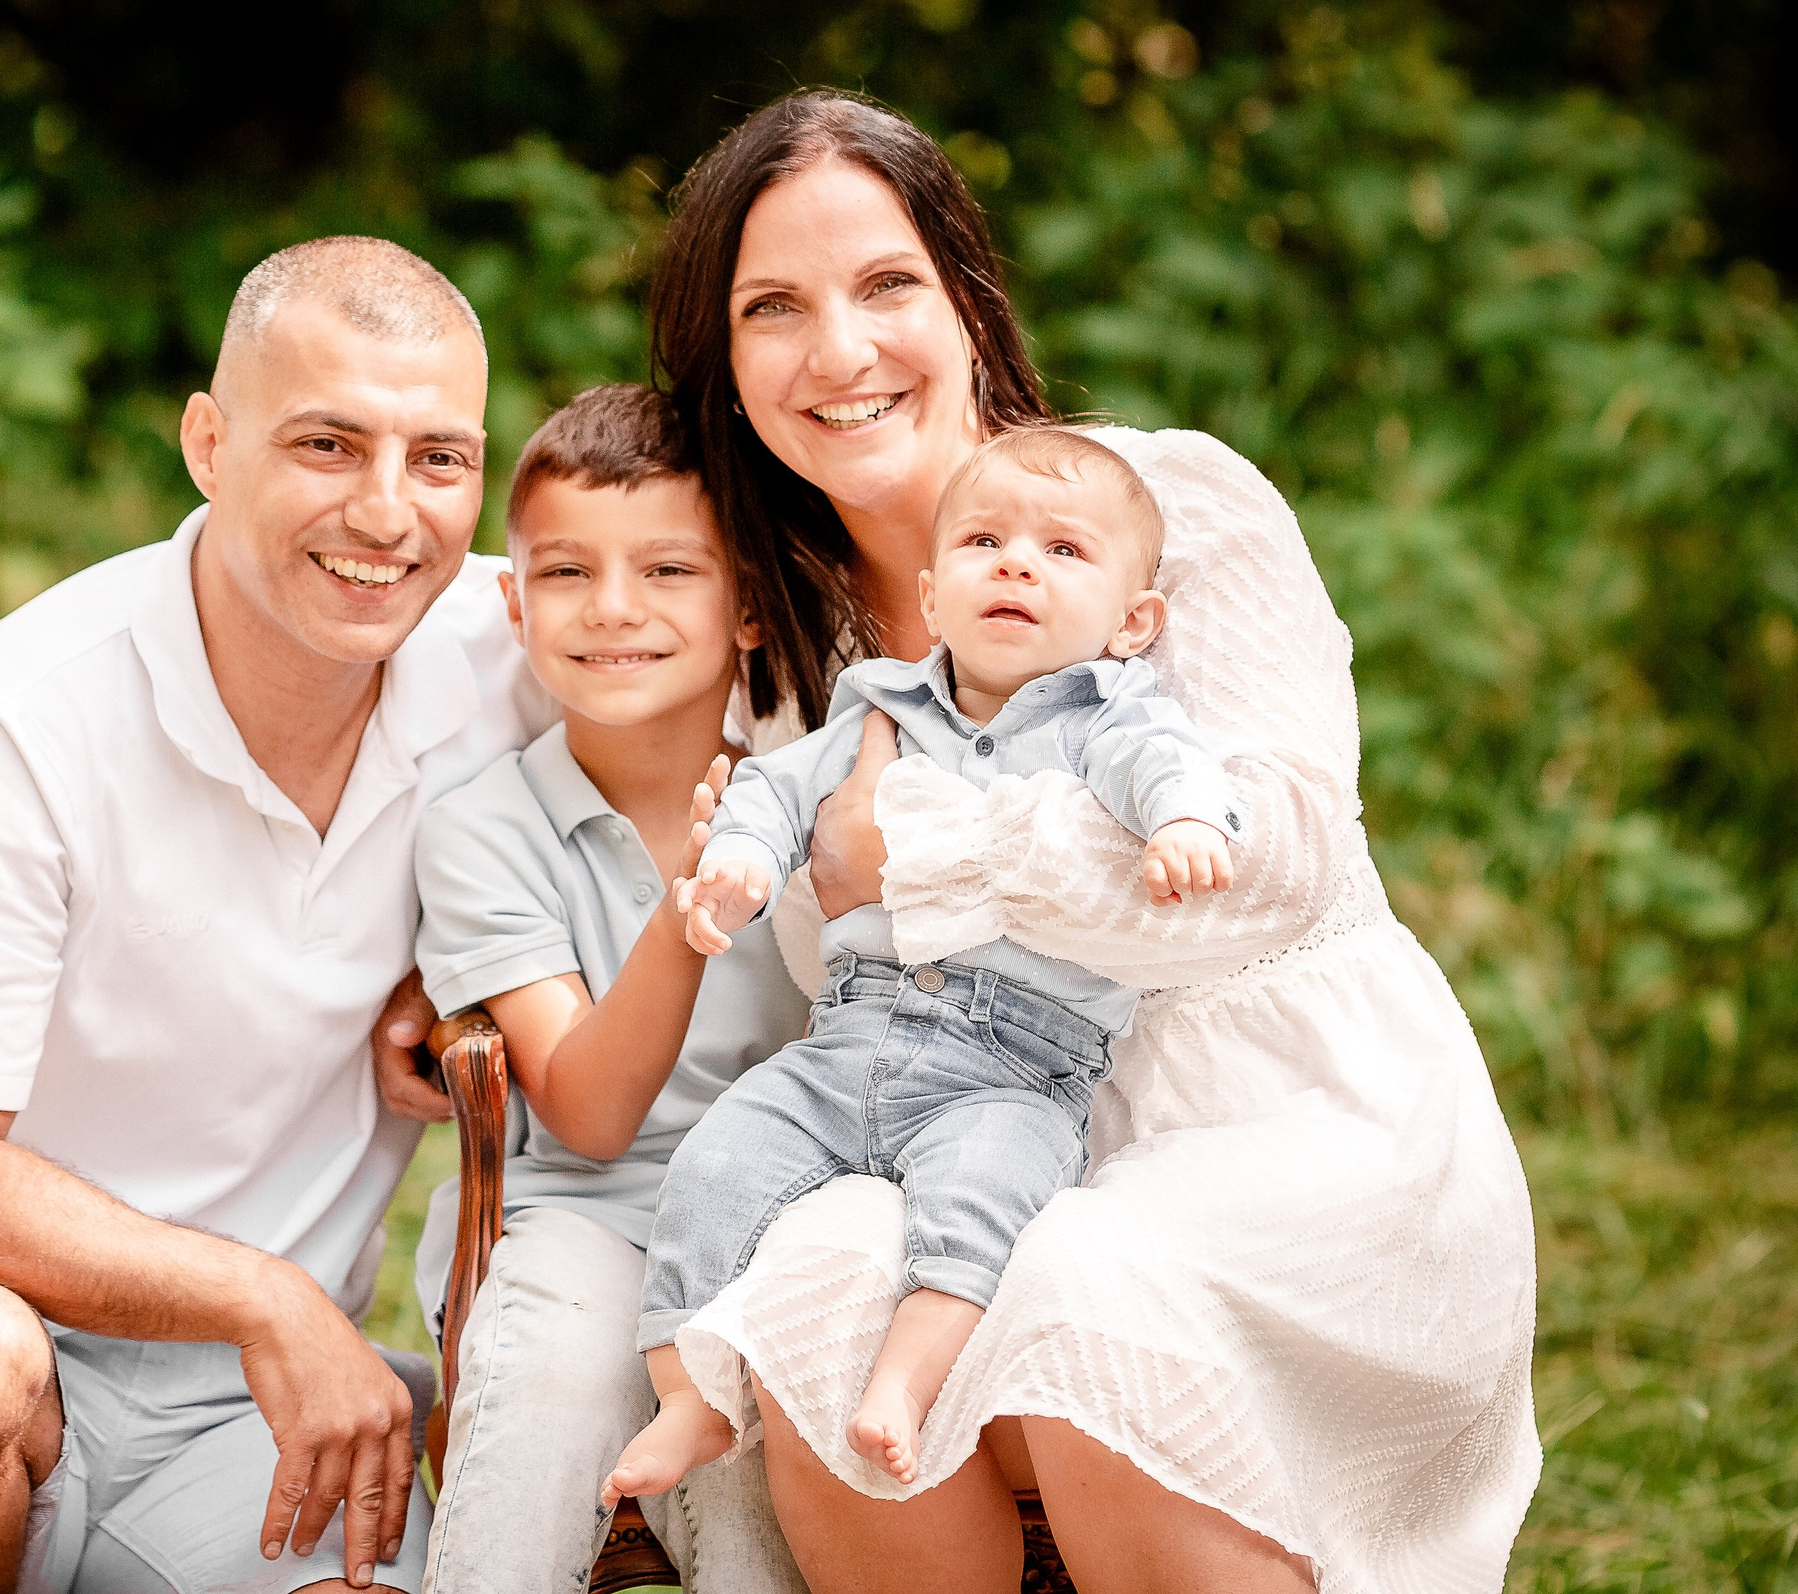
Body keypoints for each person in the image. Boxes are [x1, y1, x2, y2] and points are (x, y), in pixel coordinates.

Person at [645, 90, 1543, 1594]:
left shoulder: (1168, 506)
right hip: (998, 1155)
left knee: (1090, 1278)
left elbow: (1286, 856)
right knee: (818, 1274)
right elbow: (529, 591)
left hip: (1298, 1128)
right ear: (725, 367)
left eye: (885, 286)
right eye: (774, 308)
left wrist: (925, 846)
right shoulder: (792, 659)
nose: (840, 351)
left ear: (969, 304)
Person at [0, 235, 553, 1594]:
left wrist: (470, 957)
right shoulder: (15, 725)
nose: (390, 515)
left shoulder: (508, 648)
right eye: (328, 445)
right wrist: (263, 1292)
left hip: (251, 1418)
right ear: (209, 443)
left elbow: (750, 735)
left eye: (441, 459)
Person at [606, 427, 1245, 1501]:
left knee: (984, 1199)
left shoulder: (1107, 714)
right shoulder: (881, 702)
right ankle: (687, 1398)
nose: (1015, 563)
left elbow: (1166, 767)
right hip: (847, 1034)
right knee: (716, 1166)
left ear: (1133, 624)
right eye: (985, 540)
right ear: (933, 596)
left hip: (1014, 1061)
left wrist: (1184, 821)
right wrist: (741, 863)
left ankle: (902, 1385)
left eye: (1062, 551)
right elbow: (774, 787)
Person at [405, 386, 808, 1593]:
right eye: (569, 573)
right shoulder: (482, 829)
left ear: (745, 605)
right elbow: (585, 1115)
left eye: (669, 571)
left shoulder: (809, 798)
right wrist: (682, 922)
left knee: (758, 1472)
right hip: (578, 1218)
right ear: (513, 601)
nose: (614, 609)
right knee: (549, 1368)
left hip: (773, 1236)